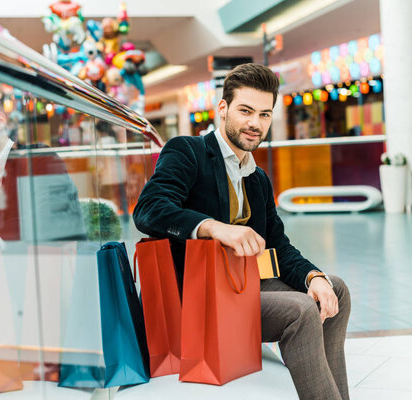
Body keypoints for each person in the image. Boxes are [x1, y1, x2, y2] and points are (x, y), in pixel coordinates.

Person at [133, 63, 351, 400]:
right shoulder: (188, 152)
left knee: (334, 288)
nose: (255, 123)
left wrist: (312, 276)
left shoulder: (257, 178)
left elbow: (278, 245)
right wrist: (213, 228)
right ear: (223, 109)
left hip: (242, 288)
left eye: (264, 114)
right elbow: (148, 209)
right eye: (246, 111)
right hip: (197, 300)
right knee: (301, 310)